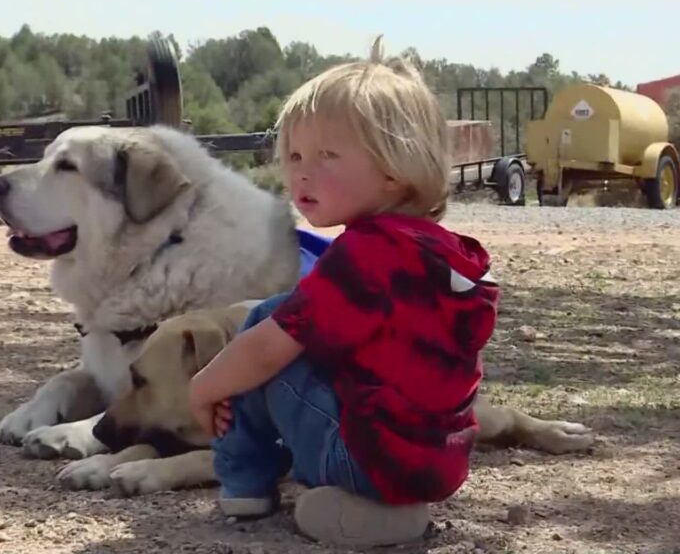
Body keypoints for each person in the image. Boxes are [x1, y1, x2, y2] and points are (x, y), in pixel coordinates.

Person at [188, 35, 500, 549]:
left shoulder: (364, 255)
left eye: (327, 155)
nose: (302, 172)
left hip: (367, 459)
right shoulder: (445, 253)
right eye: (294, 155)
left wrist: (204, 387)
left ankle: (248, 483)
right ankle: (382, 501)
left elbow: (266, 351)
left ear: (395, 168)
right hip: (439, 461)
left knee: (265, 325)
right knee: (290, 326)